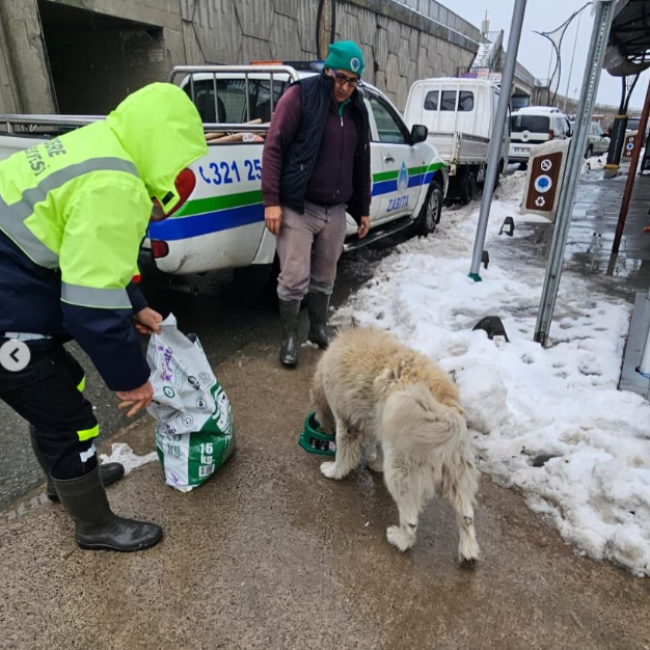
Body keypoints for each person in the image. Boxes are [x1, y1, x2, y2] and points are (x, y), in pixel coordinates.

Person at [0, 82, 207, 552]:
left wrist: (136, 305)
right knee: (67, 416)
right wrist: (134, 379)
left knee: (58, 383)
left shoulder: (103, 143)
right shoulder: (118, 184)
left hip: (12, 279)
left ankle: (68, 479)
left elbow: (89, 256)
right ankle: (94, 525)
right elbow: (89, 308)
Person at [261, 41, 372, 367]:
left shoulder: (356, 108)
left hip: (335, 210)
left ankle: (318, 329)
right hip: (299, 206)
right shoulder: (300, 97)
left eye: (353, 81)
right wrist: (272, 201)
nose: (345, 87)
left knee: (326, 274)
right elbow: (274, 147)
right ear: (327, 71)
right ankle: (290, 338)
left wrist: (362, 208)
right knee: (294, 276)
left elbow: (360, 160)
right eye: (340, 78)